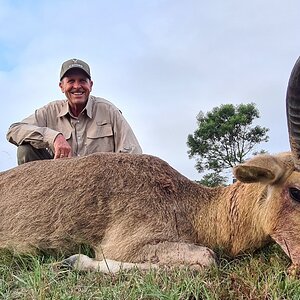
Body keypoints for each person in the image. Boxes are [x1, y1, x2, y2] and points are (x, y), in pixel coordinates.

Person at [6, 58, 142, 165]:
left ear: (91, 85)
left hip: (101, 184)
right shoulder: (50, 111)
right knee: (25, 150)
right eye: (71, 81)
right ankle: (35, 200)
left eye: (82, 81)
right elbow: (14, 130)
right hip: (58, 182)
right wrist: (54, 137)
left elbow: (133, 152)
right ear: (61, 86)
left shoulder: (108, 111)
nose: (77, 86)